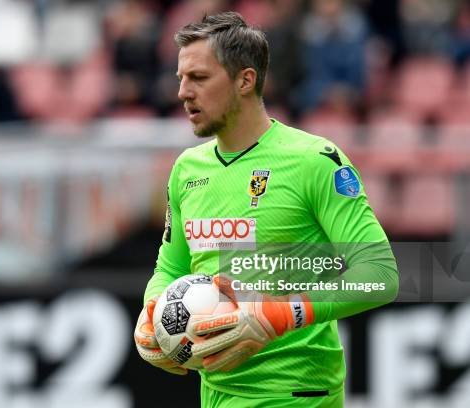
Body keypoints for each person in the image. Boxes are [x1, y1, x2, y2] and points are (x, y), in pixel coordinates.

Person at [134, 12, 398, 408]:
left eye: (199, 78)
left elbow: (379, 273)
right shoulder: (187, 169)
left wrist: (281, 313)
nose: (183, 93)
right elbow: (171, 269)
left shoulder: (314, 160)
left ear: (245, 80)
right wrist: (152, 312)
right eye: (181, 79)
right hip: (216, 394)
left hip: (296, 394)